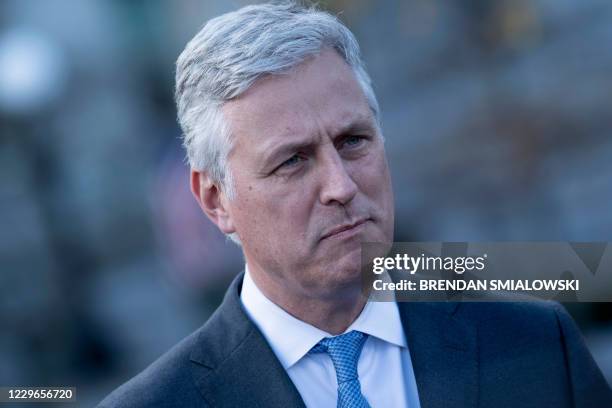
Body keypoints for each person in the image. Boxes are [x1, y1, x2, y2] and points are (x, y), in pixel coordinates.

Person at [99, 3, 612, 407]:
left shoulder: (538, 347)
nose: (340, 186)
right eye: (293, 161)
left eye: (353, 141)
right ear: (215, 200)